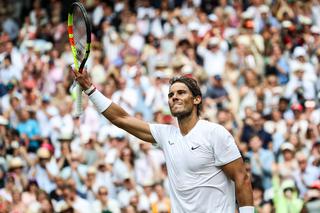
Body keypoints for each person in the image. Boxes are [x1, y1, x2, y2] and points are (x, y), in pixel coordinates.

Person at [73, 69, 254, 213]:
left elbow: (242, 178)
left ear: (197, 99)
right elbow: (122, 119)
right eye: (170, 94)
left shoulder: (214, 133)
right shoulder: (166, 135)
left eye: (181, 93)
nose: (174, 97)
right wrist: (90, 89)